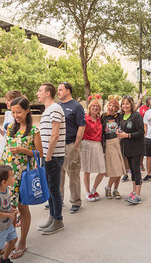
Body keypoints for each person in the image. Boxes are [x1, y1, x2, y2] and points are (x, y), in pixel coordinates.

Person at [0, 97, 43, 258]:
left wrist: (24, 150)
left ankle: (22, 241)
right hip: (7, 176)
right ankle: (9, 241)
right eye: (13, 112)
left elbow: (40, 153)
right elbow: (5, 150)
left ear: (27, 111)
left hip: (23, 176)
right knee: (8, 209)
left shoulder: (33, 131)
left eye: (18, 112)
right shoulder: (10, 127)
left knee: (23, 209)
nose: (16, 115)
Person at [37, 83, 66, 234]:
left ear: (48, 93)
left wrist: (48, 155)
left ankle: (58, 220)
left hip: (53, 156)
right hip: (48, 156)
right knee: (49, 188)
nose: (37, 94)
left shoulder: (55, 108)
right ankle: (52, 217)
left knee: (54, 189)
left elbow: (55, 134)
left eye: (40, 91)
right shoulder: (47, 110)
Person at [57, 82, 85, 214]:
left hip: (70, 145)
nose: (58, 92)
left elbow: (81, 126)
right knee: (58, 175)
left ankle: (76, 201)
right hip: (58, 145)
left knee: (73, 174)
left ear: (68, 91)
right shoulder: (57, 106)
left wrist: (76, 145)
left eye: (60, 90)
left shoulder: (76, 106)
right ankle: (58, 199)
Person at [116, 96, 145, 204]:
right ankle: (134, 191)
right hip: (126, 148)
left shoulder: (136, 116)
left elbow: (141, 132)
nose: (125, 106)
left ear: (131, 104)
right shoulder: (122, 116)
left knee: (136, 171)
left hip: (136, 148)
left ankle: (138, 195)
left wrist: (127, 135)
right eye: (123, 104)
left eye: (127, 104)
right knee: (132, 170)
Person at [0, 165, 18, 263]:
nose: (14, 178)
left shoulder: (6, 190)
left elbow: (6, 207)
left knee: (13, 240)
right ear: (4, 182)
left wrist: (11, 211)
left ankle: (4, 259)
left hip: (7, 225)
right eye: (12, 177)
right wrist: (9, 215)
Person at [80, 99, 106, 201]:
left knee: (102, 170)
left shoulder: (100, 119)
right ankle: (87, 192)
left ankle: (94, 189)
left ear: (99, 109)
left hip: (98, 145)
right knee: (87, 170)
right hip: (86, 144)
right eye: (93, 106)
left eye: (97, 106)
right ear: (89, 108)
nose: (95, 108)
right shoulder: (85, 119)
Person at [101, 98, 126, 200]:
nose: (111, 108)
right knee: (116, 168)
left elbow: (131, 110)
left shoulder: (119, 116)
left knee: (120, 168)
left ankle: (115, 189)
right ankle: (108, 187)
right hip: (109, 143)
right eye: (110, 105)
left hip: (119, 142)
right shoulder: (103, 117)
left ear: (117, 108)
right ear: (107, 106)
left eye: (114, 106)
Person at [0, 90, 22, 155]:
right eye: (6, 100)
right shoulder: (7, 114)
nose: (6, 102)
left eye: (9, 100)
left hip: (13, 152)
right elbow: (5, 135)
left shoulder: (21, 116)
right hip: (3, 150)